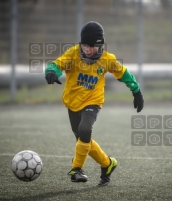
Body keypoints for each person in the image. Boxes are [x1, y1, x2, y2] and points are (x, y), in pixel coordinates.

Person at [44, 21, 144, 186]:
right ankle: (107, 164)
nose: (88, 50)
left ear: (100, 45)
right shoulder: (73, 53)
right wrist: (50, 72)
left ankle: (77, 169)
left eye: (92, 46)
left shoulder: (107, 59)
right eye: (85, 46)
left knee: (84, 130)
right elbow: (57, 64)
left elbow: (123, 73)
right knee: (83, 140)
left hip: (93, 101)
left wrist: (136, 91)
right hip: (72, 103)